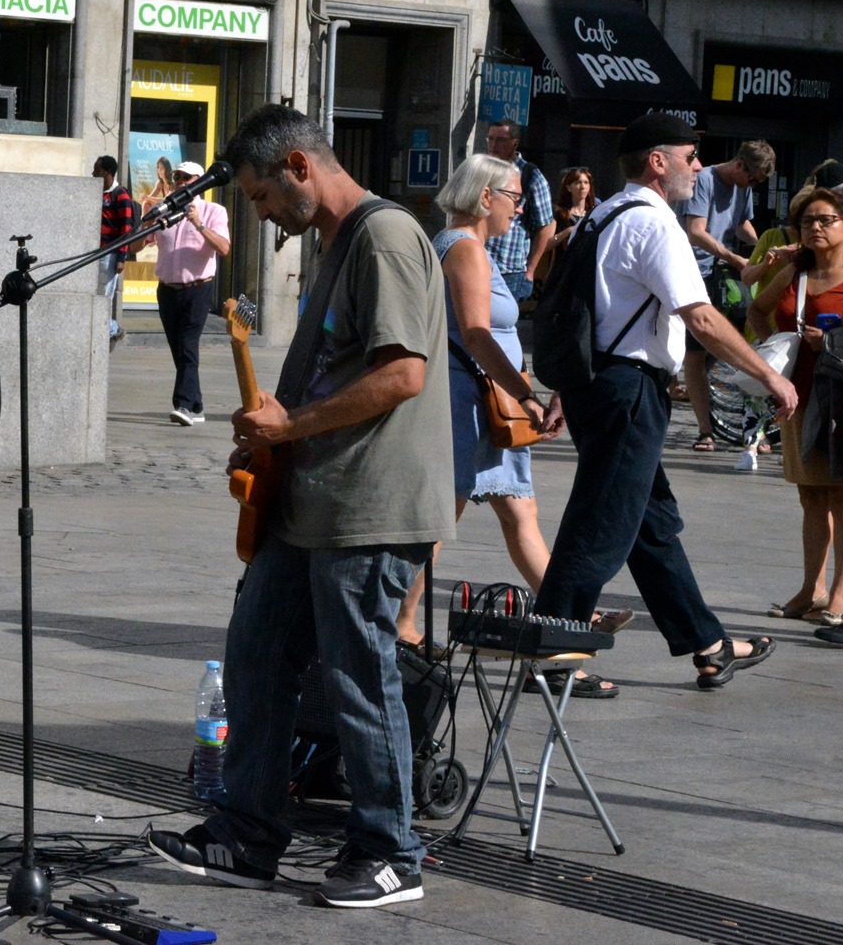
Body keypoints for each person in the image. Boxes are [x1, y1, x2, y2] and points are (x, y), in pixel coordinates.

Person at [146, 104, 454, 909]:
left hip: (370, 504)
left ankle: (391, 852)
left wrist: (294, 423)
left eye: (259, 195)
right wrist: (272, 439)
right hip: (312, 499)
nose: (258, 214)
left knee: (358, 676)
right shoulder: (334, 242)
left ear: (298, 168)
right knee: (256, 655)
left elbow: (402, 374)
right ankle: (245, 834)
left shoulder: (384, 237)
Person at [534, 113, 794, 689]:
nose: (697, 167)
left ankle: (708, 642)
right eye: (689, 156)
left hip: (604, 385)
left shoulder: (604, 215)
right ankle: (553, 657)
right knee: (600, 524)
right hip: (628, 391)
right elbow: (700, 317)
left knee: (649, 524)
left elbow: (587, 312)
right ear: (659, 161)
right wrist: (770, 377)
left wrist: (565, 389)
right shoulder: (655, 226)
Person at [390, 158, 620, 695]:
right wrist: (526, 394)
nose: (522, 208)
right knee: (443, 519)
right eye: (514, 196)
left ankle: (565, 631)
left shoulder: (467, 247)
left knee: (516, 514)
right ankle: (403, 626)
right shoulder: (463, 248)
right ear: (485, 195)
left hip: (481, 402)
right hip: (469, 403)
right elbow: (474, 333)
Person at [748, 188, 843, 626]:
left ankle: (842, 592)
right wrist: (773, 351)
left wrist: (834, 343)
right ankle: (811, 588)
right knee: (810, 494)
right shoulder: (794, 274)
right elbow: (758, 310)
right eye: (806, 221)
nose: (814, 227)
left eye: (825, 220)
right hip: (797, 396)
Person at [682, 140, 774, 452]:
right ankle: (705, 430)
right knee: (696, 353)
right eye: (754, 179)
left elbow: (740, 225)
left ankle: (750, 427)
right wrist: (736, 259)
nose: (754, 185)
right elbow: (695, 230)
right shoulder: (704, 180)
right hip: (694, 272)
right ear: (738, 165)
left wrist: (764, 248)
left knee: (733, 344)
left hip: (721, 276)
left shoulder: (742, 187)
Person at [155, 161, 230, 427]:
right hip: (167, 290)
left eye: (187, 177)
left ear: (200, 181)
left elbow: (223, 248)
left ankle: (184, 405)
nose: (180, 182)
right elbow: (143, 243)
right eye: (177, 177)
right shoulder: (165, 209)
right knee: (178, 350)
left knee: (187, 346)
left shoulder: (213, 211)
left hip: (197, 289)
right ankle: (196, 404)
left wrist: (198, 224)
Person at [482, 118, 553, 304]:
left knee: (500, 328)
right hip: (478, 262)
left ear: (515, 143)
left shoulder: (530, 175)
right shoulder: (481, 170)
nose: (493, 145)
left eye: (500, 140)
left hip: (509, 271)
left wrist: (530, 271)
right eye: (490, 139)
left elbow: (545, 226)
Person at [94, 155, 138, 345]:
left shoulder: (120, 196)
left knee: (103, 298)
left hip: (109, 256)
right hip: (94, 254)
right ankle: (108, 328)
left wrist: (121, 257)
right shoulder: (97, 192)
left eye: (97, 169)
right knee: (95, 296)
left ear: (107, 172)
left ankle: (111, 330)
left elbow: (126, 229)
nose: (93, 173)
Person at [550, 166, 598, 251]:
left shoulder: (595, 212)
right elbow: (546, 244)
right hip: (564, 262)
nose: (583, 186)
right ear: (568, 187)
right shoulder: (558, 212)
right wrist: (568, 231)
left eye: (586, 182)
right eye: (578, 182)